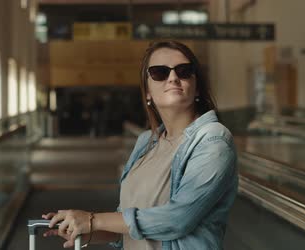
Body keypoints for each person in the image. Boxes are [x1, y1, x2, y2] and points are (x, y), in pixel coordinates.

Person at [41, 40, 238, 249]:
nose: (173, 78)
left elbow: (177, 219)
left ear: (197, 87)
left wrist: (92, 219)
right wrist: (84, 231)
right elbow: (130, 227)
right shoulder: (147, 141)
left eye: (184, 71)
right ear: (147, 93)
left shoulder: (213, 140)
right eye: (160, 72)